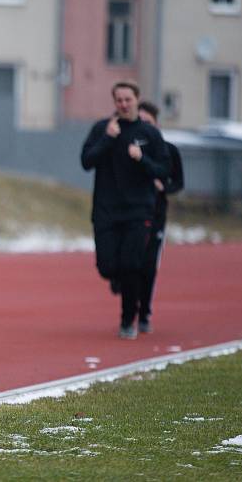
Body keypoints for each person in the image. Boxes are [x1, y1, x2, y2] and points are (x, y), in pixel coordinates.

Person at [81, 81, 170, 340]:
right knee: (107, 267)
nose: (123, 104)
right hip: (106, 210)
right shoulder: (102, 129)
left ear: (136, 99)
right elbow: (86, 161)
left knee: (132, 265)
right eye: (118, 100)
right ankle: (117, 279)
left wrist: (142, 159)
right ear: (114, 102)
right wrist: (108, 140)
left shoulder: (149, 134)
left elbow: (164, 170)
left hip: (138, 211)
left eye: (128, 99)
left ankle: (128, 320)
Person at [137, 101, 184, 333]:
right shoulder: (130, 150)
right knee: (127, 262)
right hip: (130, 213)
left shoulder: (169, 150)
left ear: (156, 124)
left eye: (148, 122)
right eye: (140, 122)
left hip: (155, 215)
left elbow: (178, 183)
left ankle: (144, 311)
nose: (144, 127)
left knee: (147, 265)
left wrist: (163, 187)